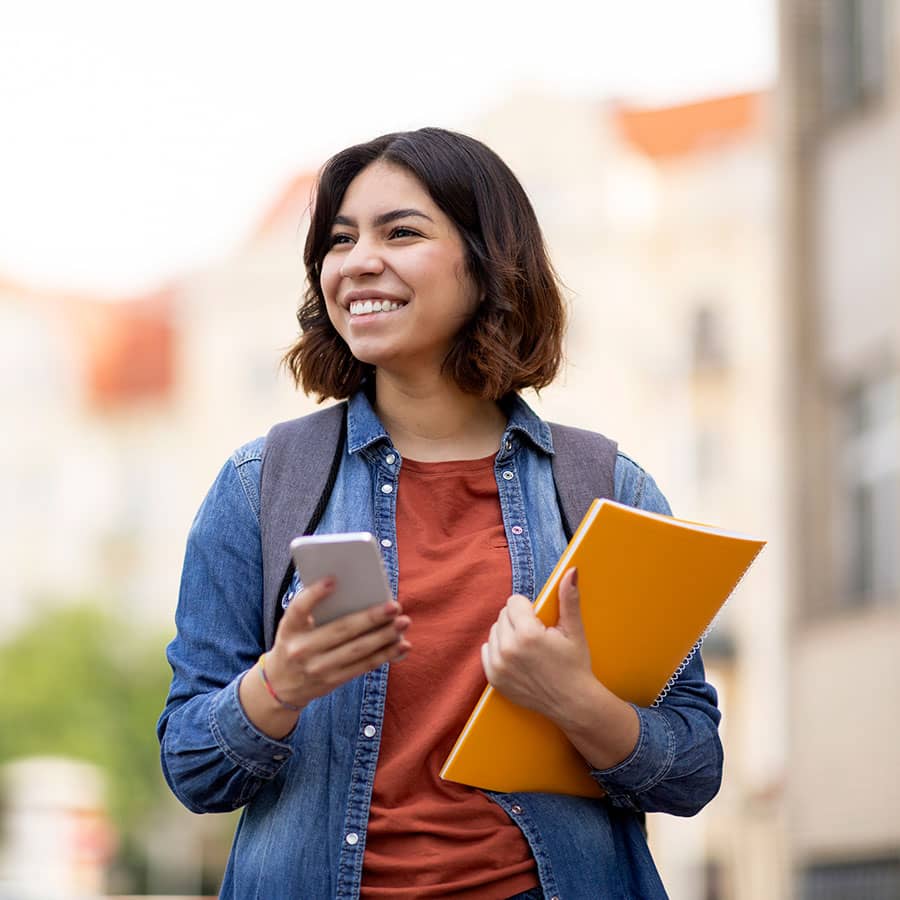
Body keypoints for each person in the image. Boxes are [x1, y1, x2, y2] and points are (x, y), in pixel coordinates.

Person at [157, 127, 723, 899]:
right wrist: (280, 683)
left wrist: (574, 701)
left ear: (489, 263)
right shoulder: (261, 486)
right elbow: (193, 767)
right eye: (339, 240)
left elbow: (692, 769)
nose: (358, 260)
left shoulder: (604, 489)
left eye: (402, 233)